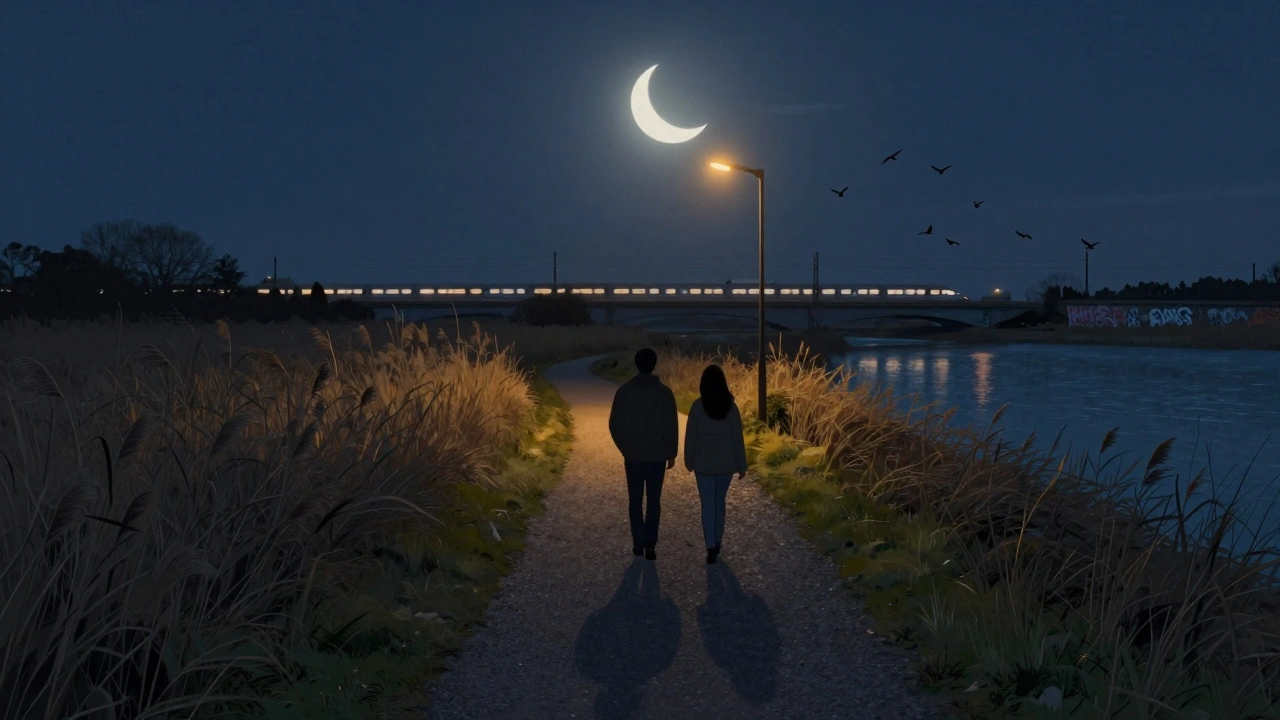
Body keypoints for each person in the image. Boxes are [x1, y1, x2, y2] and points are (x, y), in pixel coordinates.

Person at [608, 347, 678, 560]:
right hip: (657, 456)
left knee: (635, 500)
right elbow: (671, 425)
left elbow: (614, 425)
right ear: (654, 365)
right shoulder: (665, 393)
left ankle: (637, 542)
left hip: (634, 456)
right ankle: (650, 544)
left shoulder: (625, 391)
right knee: (654, 501)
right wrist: (671, 452)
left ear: (636, 365)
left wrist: (625, 447)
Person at [683, 364, 748, 564]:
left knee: (707, 504)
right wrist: (741, 464)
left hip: (703, 464)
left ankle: (710, 544)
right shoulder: (731, 407)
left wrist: (688, 459)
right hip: (725, 464)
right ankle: (718, 540)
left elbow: (690, 436)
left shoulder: (697, 406)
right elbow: (738, 437)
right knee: (719, 502)